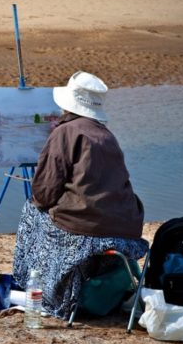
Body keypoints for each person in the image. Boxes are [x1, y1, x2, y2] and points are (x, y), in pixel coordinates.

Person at [13, 71, 149, 320]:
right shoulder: (106, 135)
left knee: (32, 212)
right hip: (126, 230)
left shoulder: (64, 132)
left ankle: (40, 289)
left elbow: (43, 194)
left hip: (88, 232)